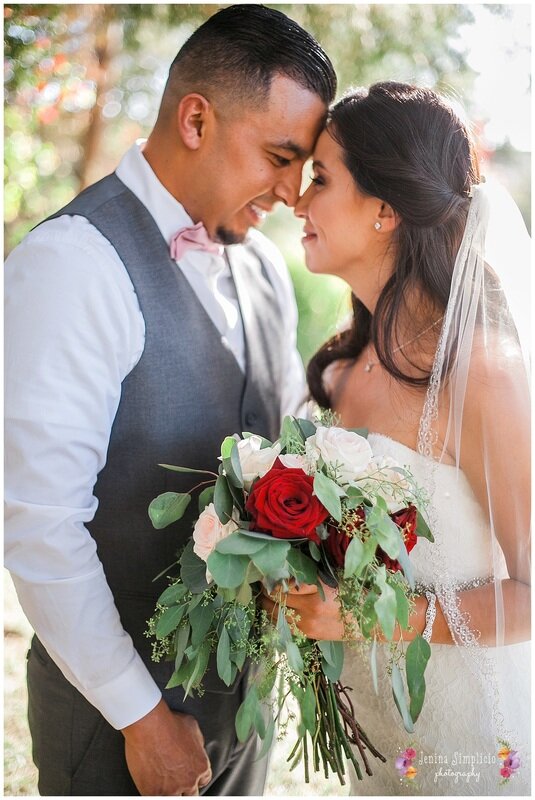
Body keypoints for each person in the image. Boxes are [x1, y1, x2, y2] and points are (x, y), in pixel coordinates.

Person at [4, 5, 336, 796]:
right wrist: (140, 716)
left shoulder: (259, 269)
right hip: (115, 728)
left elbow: (283, 438)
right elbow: (39, 525)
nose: (293, 192)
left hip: (240, 713)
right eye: (279, 156)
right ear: (195, 118)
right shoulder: (70, 265)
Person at [264, 82, 530, 794]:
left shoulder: (476, 370)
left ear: (385, 210)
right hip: (373, 742)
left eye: (320, 177)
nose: (296, 199)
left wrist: (379, 616)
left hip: (463, 747)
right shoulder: (346, 366)